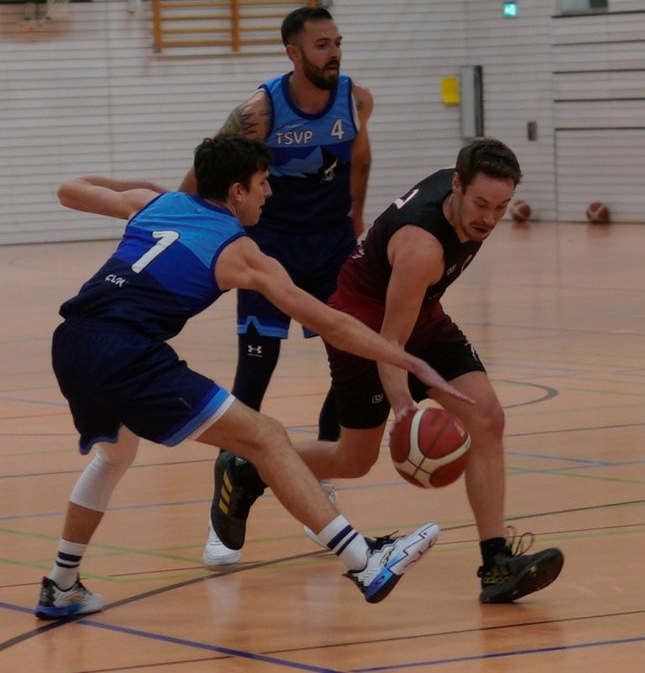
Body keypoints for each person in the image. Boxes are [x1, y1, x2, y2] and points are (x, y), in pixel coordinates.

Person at [35, 136, 468, 620]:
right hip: (126, 353)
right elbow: (330, 322)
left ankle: (62, 584)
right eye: (263, 184)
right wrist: (404, 357)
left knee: (115, 456)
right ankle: (364, 562)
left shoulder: (154, 204)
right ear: (237, 191)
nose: (268, 194)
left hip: (72, 341)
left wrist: (145, 191)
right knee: (267, 437)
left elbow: (69, 189)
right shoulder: (240, 251)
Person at [204, 138, 566, 604]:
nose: (490, 219)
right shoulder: (422, 247)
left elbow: (411, 318)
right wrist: (404, 409)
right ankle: (249, 470)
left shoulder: (463, 199)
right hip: (362, 327)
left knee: (488, 418)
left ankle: (496, 564)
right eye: (481, 205)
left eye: (501, 207)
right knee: (354, 460)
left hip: (422, 313)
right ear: (456, 185)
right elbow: (389, 343)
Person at [178, 6, 372, 565]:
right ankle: (225, 502)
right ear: (293, 53)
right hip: (271, 251)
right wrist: (181, 221)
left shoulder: (357, 100)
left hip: (333, 247)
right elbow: (208, 170)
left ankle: (321, 481)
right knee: (253, 383)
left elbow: (359, 160)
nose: (333, 53)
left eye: (337, 42)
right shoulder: (258, 112)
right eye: (321, 45)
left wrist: (358, 226)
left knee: (352, 361)